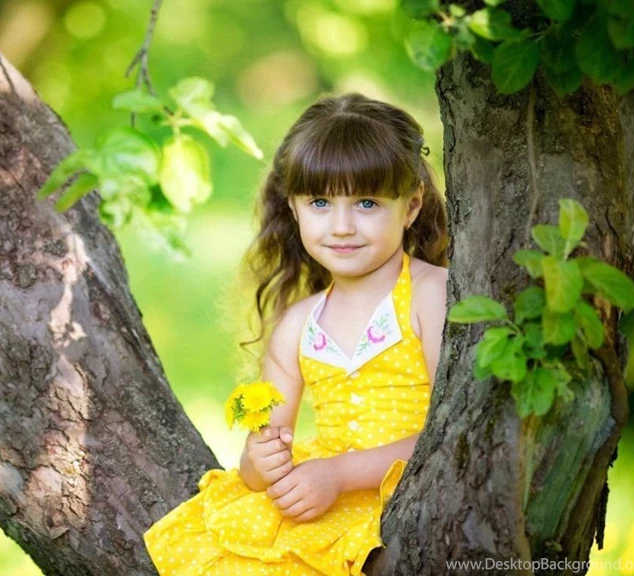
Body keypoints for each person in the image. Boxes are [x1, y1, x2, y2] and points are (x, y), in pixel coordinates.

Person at [142, 92, 450, 575]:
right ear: (294, 207)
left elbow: (450, 433)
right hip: (323, 493)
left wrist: (341, 474)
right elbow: (262, 456)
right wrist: (260, 462)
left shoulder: (431, 295)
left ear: (410, 207)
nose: (343, 226)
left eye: (367, 202)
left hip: (403, 492)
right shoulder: (298, 326)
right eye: (321, 202)